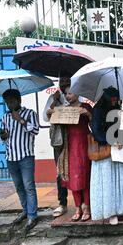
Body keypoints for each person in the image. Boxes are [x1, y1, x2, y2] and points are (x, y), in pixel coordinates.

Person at [89, 87, 123, 225]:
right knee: (109, 183)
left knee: (122, 181)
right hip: (106, 150)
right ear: (105, 97)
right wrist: (111, 141)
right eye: (111, 98)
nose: (114, 100)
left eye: (115, 97)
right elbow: (96, 131)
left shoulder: (119, 108)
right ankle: (111, 212)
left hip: (120, 149)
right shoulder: (98, 110)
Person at [1, 89, 40, 231]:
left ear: (19, 100)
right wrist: (3, 136)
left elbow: (35, 130)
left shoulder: (30, 113)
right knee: (18, 186)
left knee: (29, 186)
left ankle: (32, 215)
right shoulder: (5, 117)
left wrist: (21, 120)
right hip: (11, 157)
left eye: (12, 101)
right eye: (7, 102)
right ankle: (25, 210)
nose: (9, 105)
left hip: (25, 156)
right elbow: (3, 137)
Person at [57, 87, 92, 222]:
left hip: (84, 145)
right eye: (66, 94)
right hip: (69, 147)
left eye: (70, 93)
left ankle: (87, 207)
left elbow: (95, 125)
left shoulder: (86, 106)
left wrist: (88, 115)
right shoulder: (64, 109)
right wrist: (52, 112)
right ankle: (78, 207)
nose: (67, 96)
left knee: (85, 176)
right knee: (72, 178)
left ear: (78, 93)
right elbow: (56, 126)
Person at [44, 77, 70, 218]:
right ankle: (62, 203)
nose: (65, 84)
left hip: (74, 138)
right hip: (59, 140)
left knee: (78, 170)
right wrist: (55, 101)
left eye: (67, 82)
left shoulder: (78, 96)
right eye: (62, 82)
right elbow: (45, 117)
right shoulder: (53, 97)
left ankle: (82, 203)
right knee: (60, 172)